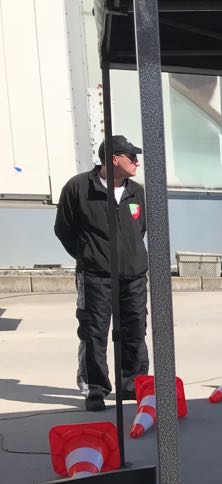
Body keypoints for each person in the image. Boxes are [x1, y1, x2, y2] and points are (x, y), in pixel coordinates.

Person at [53, 135, 149, 411]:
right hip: (95, 276)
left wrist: (127, 256)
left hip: (132, 276)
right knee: (93, 332)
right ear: (114, 159)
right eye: (131, 157)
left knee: (135, 331)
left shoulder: (137, 192)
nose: (136, 162)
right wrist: (90, 256)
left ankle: (133, 383)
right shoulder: (79, 188)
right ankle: (95, 388)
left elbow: (139, 230)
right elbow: (64, 230)